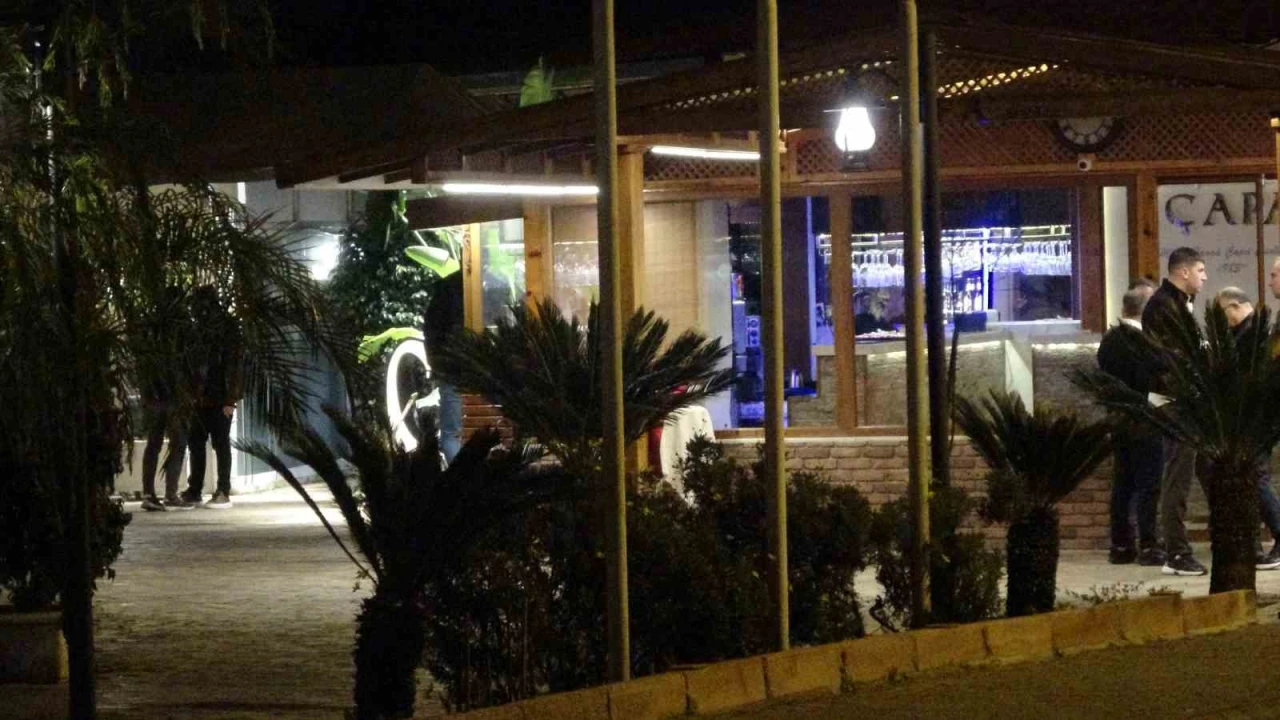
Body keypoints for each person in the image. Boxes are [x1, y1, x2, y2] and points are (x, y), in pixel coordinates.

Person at [1142, 246, 1209, 576]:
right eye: (1200, 270)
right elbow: (1170, 359)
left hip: (1183, 401)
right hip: (1173, 402)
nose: (1204, 277)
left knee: (1198, 472)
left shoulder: (1177, 303)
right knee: (1176, 479)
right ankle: (1176, 554)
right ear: (1184, 272)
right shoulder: (1164, 306)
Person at [1096, 281, 1163, 566]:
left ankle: (1121, 544)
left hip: (1118, 421)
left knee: (1123, 485)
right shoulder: (1141, 342)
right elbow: (1148, 383)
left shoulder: (1109, 339)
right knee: (1148, 485)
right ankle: (1149, 544)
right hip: (1144, 421)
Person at [1214, 287, 1280, 570]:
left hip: (1256, 421)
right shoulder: (1249, 333)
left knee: (1256, 479)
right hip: (1255, 420)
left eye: (1221, 313)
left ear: (1235, 306)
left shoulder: (1253, 336)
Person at [180, 287, 243, 509]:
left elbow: (235, 365)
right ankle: (195, 489)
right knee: (197, 443)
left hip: (219, 397)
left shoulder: (226, 328)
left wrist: (230, 399)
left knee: (220, 444)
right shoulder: (199, 329)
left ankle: (222, 489)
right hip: (201, 397)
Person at [424, 271, 464, 464]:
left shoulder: (446, 288)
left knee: (451, 433)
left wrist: (437, 364)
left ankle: (459, 476)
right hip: (461, 368)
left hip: (450, 368)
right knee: (452, 433)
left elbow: (431, 331)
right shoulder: (490, 284)